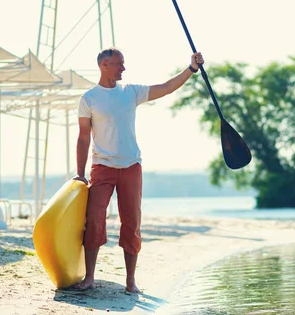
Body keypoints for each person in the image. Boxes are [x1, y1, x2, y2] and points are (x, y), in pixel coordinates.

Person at [72, 47, 204, 292]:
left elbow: (166, 87)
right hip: (102, 168)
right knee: (94, 220)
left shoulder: (130, 92)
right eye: (119, 64)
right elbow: (83, 138)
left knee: (132, 224)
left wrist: (191, 69)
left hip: (131, 167)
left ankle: (130, 281)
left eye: (123, 63)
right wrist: (80, 173)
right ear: (104, 65)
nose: (123, 68)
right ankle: (89, 278)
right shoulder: (89, 98)